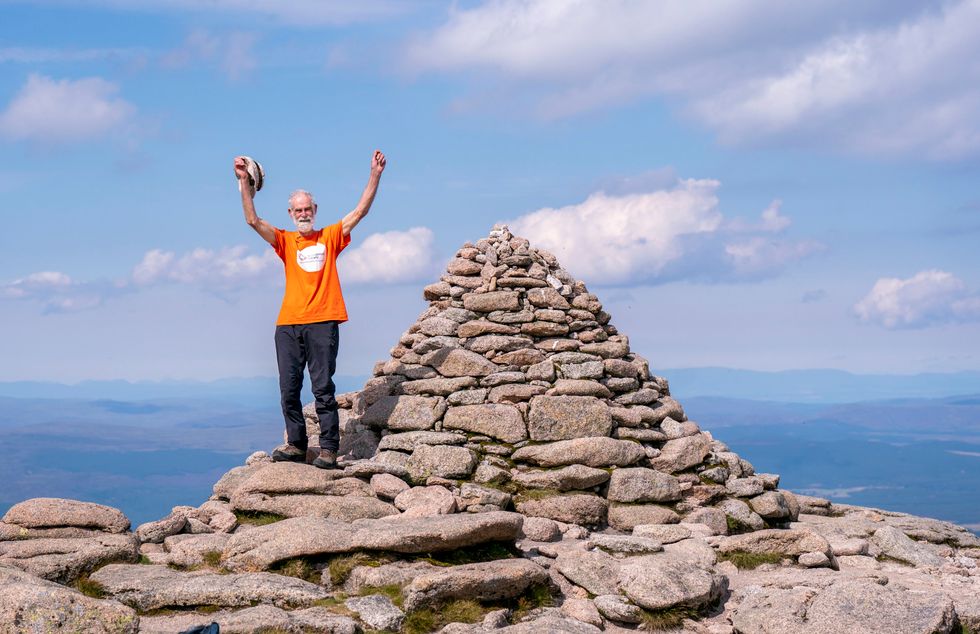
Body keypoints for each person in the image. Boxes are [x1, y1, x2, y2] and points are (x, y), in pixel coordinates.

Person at [233, 150, 387, 469]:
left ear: (314, 210)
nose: (303, 214)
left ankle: (329, 448)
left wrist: (375, 174)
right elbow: (252, 220)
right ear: (290, 213)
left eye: (307, 209)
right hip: (288, 324)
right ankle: (296, 444)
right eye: (298, 210)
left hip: (323, 321)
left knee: (322, 388)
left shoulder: (329, 237)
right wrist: (244, 184)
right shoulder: (286, 241)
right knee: (288, 388)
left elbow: (361, 211)